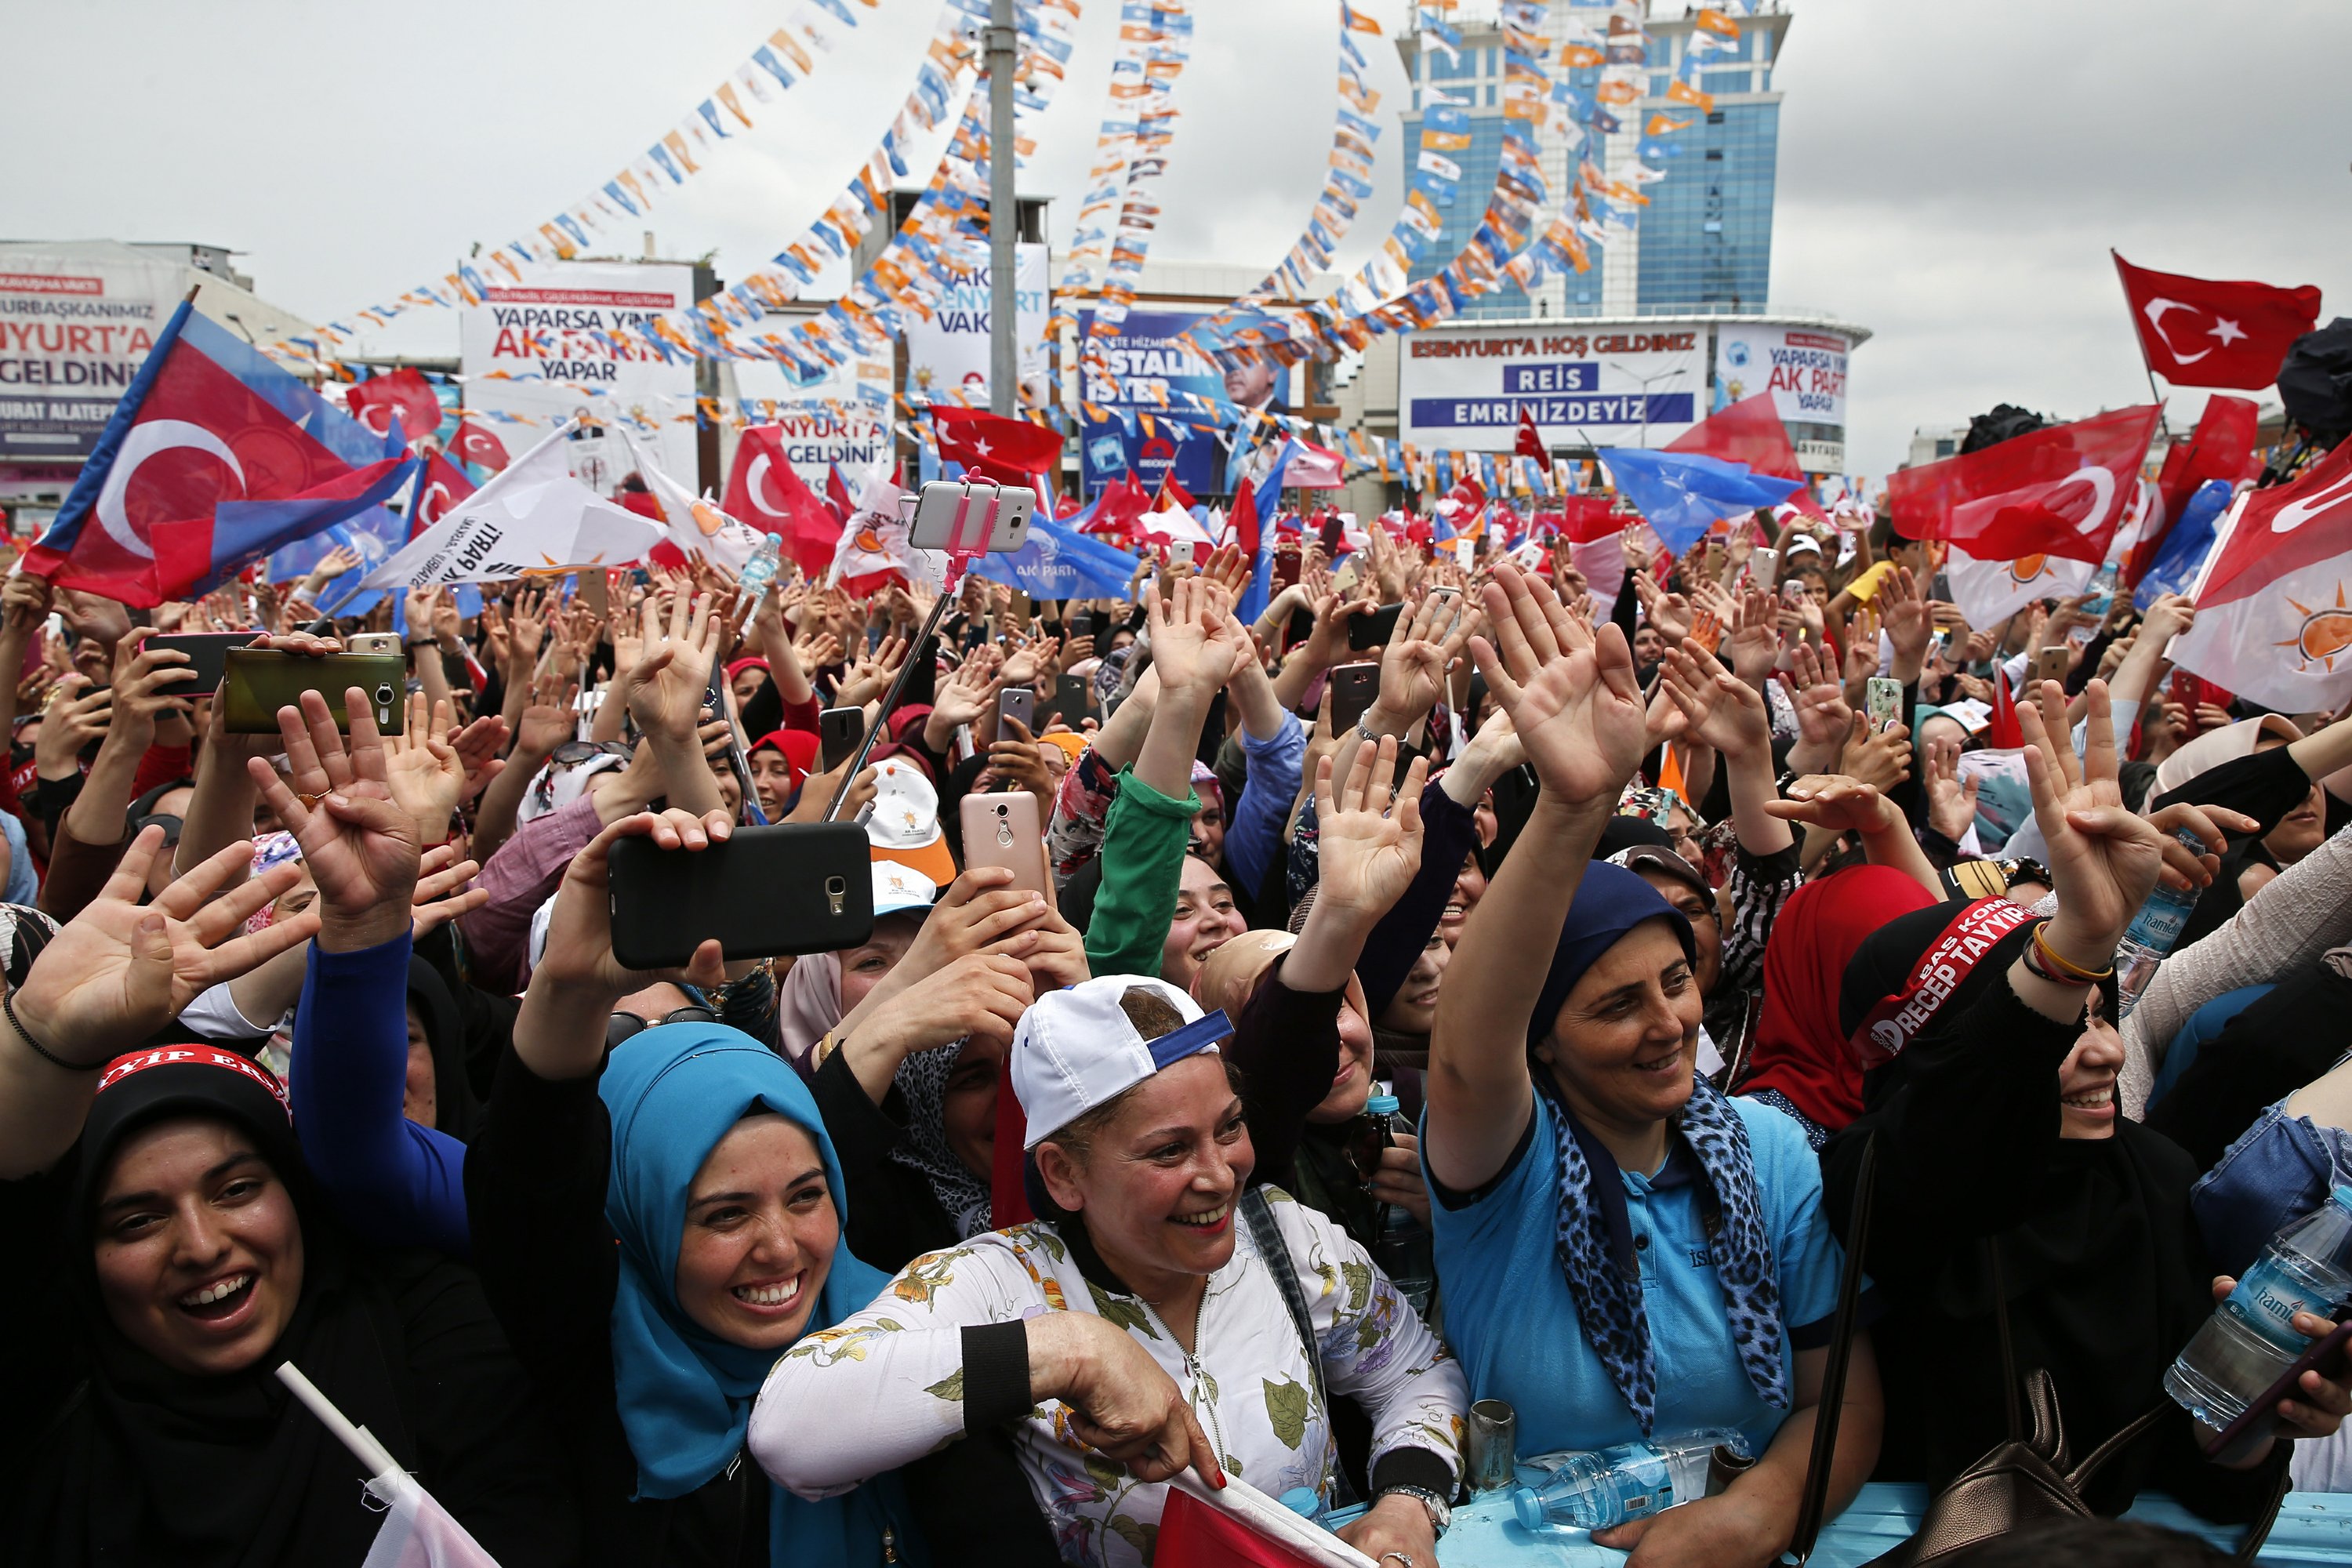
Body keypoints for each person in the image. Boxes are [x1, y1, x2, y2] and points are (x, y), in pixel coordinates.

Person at [1423, 563, 1882, 1566]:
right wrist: (1569, 809)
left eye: (1676, 981)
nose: (1668, 1022)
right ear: (1542, 1036)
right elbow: (1464, 1051)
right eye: (1616, 1005)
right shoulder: (1505, 1164)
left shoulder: (1765, 1146)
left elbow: (1835, 1392)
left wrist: (1755, 1514)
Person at [1822, 682, 2349, 1522]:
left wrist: (2258, 1422)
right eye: (2064, 1024)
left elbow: (2207, 1478)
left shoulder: (2158, 1177)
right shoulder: (1879, 1180)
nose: (2105, 1051)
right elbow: (1956, 1124)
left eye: (2104, 1013)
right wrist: (2073, 948)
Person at [749, 975, 1468, 1568]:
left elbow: (1416, 1373)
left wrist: (1406, 1503)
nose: (1220, 1176)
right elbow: (791, 1426)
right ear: (1063, 1175)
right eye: (1168, 1151)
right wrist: (1073, 1352)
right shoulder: (1000, 1284)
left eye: (1229, 1127)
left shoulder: (1287, 1239)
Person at [0, 827, 578, 1566]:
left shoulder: (429, 1330)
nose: (203, 1247)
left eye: (237, 1190)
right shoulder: (48, 1406)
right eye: (138, 1220)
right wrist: (45, 1048)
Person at [465, 804, 928, 1565]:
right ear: (641, 1212)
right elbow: (530, 1192)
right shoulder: (593, 1368)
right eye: (724, 1212)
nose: (780, 1247)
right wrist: (572, 994)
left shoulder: (908, 1331)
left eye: (807, 1195)